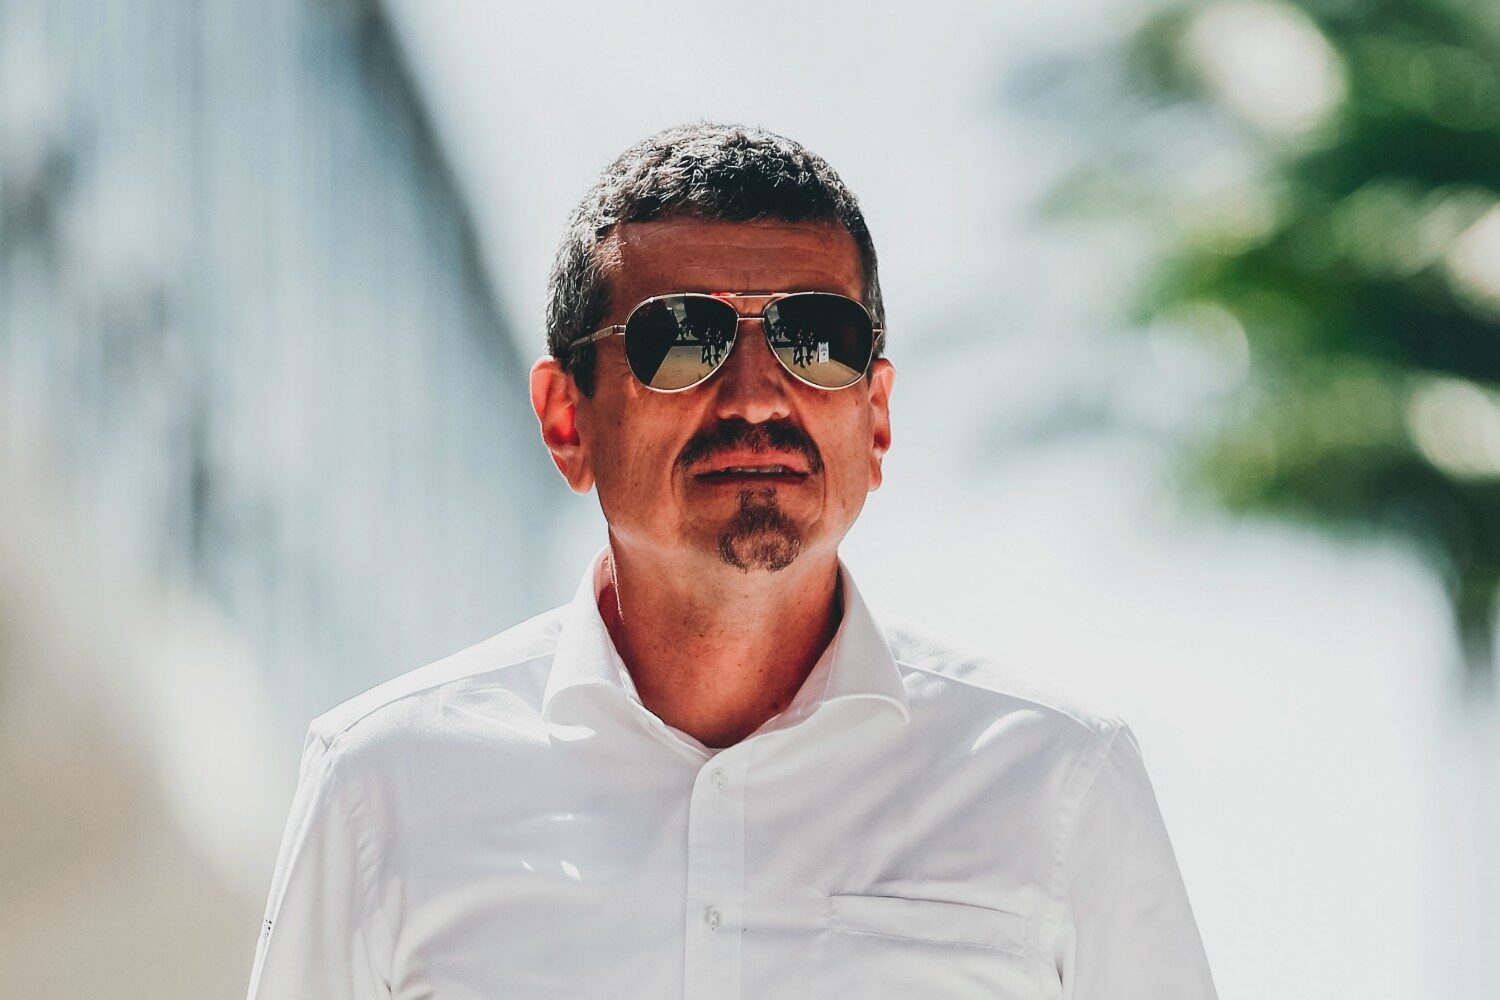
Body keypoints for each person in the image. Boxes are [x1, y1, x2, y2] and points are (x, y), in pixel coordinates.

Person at [245, 121, 1218, 999]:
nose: (757, 394)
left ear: (875, 416)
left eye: (817, 339)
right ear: (565, 416)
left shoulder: (1057, 781)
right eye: (680, 339)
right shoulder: (385, 783)